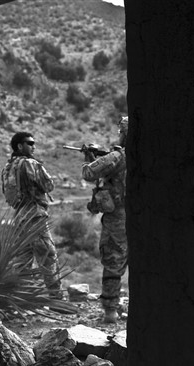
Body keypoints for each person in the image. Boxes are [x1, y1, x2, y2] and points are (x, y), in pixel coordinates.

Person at [1, 131, 62, 298]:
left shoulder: (8, 167)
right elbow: (49, 186)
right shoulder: (30, 164)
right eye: (30, 143)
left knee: (22, 261)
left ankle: (18, 299)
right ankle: (56, 299)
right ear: (20, 146)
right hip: (35, 216)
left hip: (19, 218)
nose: (33, 146)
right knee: (48, 256)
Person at [82, 116, 128, 323]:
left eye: (121, 132)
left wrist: (89, 158)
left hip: (118, 217)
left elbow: (89, 173)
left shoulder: (118, 156)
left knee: (113, 260)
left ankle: (110, 310)